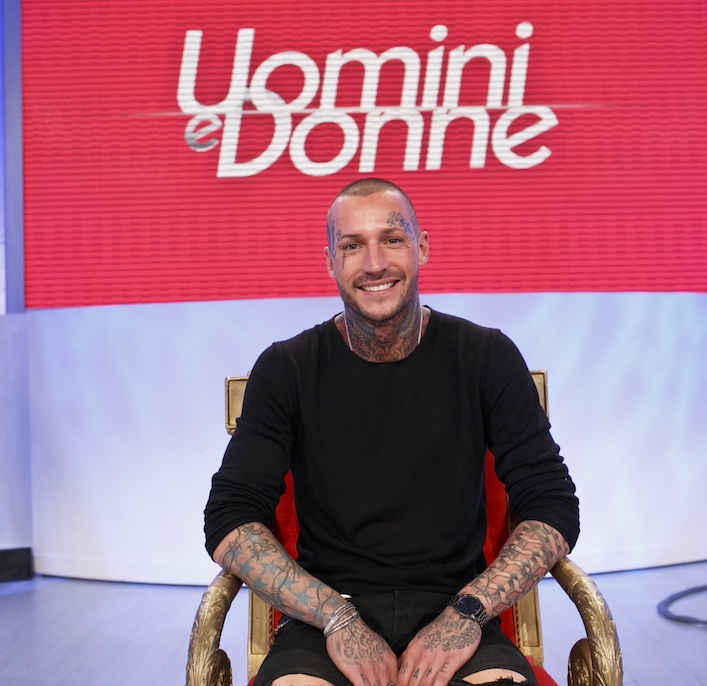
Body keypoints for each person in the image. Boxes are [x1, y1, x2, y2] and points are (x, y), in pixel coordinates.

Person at [204, 178, 579, 686]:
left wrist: (468, 612)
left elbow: (551, 504)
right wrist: (336, 617)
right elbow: (230, 516)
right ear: (331, 262)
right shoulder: (286, 367)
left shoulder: (486, 356)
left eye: (392, 239)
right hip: (325, 619)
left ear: (421, 248)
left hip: (459, 611)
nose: (374, 263)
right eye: (352, 246)